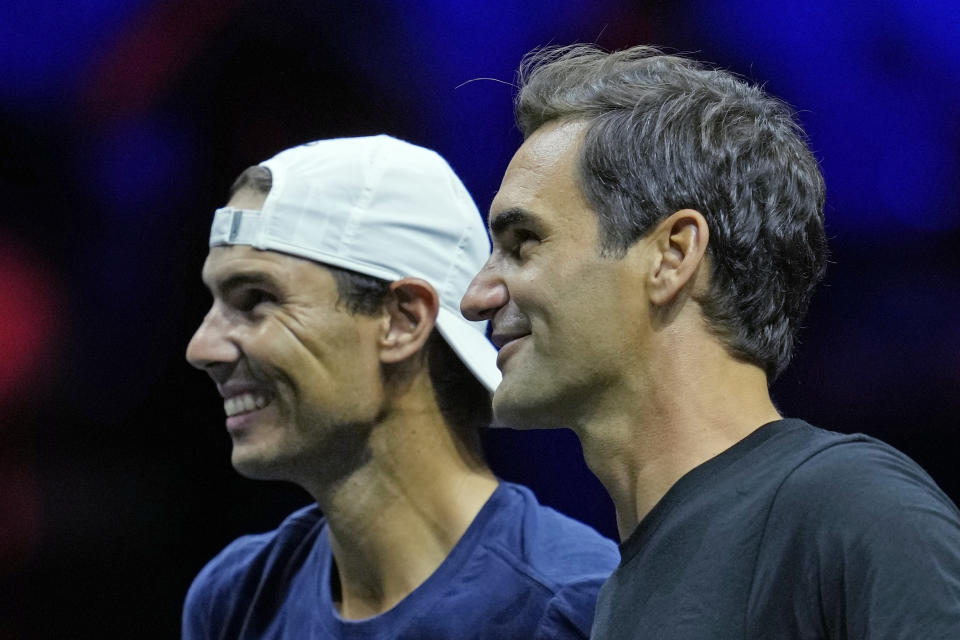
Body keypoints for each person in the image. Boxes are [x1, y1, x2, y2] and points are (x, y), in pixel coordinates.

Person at [461, 45, 960, 638]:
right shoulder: (617, 597)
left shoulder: (854, 509)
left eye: (523, 242)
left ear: (672, 255)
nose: (477, 295)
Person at [183, 135, 619, 639]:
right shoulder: (236, 599)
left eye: (256, 298)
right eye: (215, 302)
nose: (203, 348)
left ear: (402, 319)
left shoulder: (576, 607)